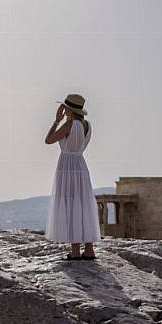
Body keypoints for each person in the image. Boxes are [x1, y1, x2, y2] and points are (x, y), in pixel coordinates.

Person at [45, 94, 101, 260]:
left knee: (70, 204)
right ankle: (89, 249)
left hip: (67, 166)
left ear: (69, 109)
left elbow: (48, 140)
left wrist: (56, 120)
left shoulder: (69, 125)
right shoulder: (87, 125)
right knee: (83, 203)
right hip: (81, 165)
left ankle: (75, 251)